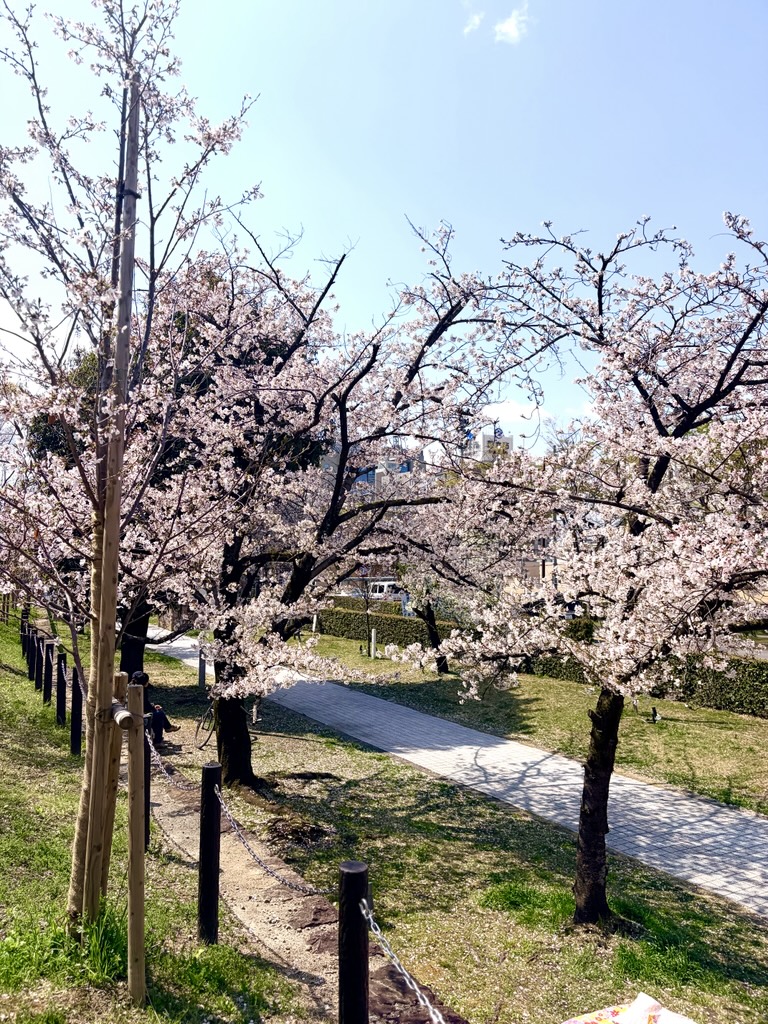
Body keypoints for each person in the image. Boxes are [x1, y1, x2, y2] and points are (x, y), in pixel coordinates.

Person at [132, 670, 179, 746]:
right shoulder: (140, 691)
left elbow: (144, 704)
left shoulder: (131, 687)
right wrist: (153, 708)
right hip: (138, 714)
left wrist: (153, 706)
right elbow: (145, 706)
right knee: (158, 715)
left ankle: (168, 727)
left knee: (158, 711)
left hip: (137, 711)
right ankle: (158, 740)